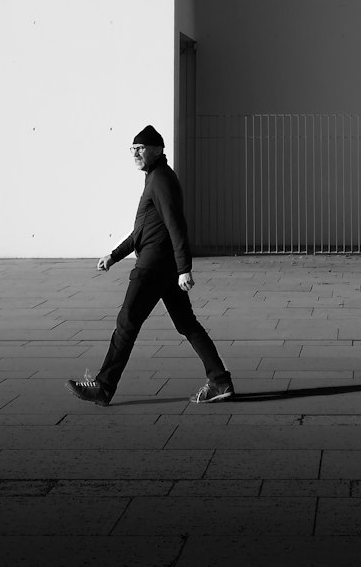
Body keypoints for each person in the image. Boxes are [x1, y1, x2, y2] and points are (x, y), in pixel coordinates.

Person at [65, 125, 234, 406]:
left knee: (127, 323)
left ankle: (103, 387)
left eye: (140, 148)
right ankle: (220, 381)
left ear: (157, 149)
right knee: (187, 325)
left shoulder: (161, 181)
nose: (135, 153)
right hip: (163, 267)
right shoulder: (155, 178)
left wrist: (184, 268)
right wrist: (114, 255)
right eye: (133, 149)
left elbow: (176, 224)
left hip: (154, 267)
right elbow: (142, 230)